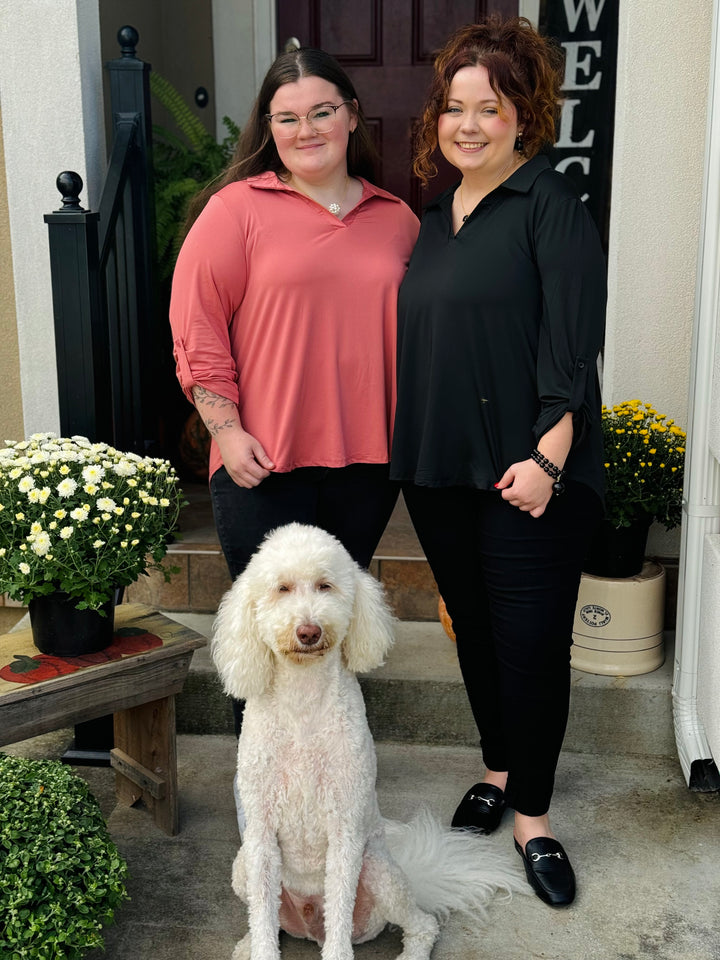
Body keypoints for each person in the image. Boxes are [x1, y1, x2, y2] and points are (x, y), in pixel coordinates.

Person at [390, 16, 606, 907]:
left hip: (527, 479)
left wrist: (548, 460)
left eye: (491, 107)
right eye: (454, 106)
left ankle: (535, 819)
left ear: (526, 115)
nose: (468, 124)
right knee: (473, 634)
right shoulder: (435, 220)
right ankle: (496, 766)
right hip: (439, 469)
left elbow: (571, 353)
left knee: (530, 647)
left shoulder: (553, 206)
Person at [170, 48, 419, 735]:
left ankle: (330, 786)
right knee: (267, 639)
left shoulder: (397, 218)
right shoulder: (236, 210)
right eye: (287, 118)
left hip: (368, 463)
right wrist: (225, 429)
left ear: (351, 116)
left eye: (321, 112)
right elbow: (197, 326)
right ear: (269, 128)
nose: (306, 129)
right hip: (261, 460)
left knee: (328, 636)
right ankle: (265, 809)